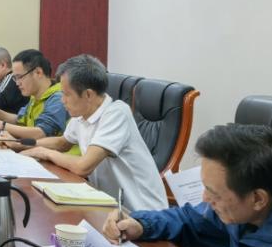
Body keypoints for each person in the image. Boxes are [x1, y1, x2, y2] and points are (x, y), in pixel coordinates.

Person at [102, 124, 272, 247]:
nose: (205, 198)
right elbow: (190, 220)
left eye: (214, 193)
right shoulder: (239, 210)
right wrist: (142, 225)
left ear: (258, 199)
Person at [19, 54, 167, 210]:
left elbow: (84, 166)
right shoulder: (81, 114)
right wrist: (21, 145)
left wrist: (44, 153)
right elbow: (62, 143)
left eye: (66, 94)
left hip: (143, 213)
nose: (63, 100)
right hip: (107, 205)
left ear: (88, 94)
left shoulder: (116, 113)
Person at [0, 49, 70, 143]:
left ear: (38, 72)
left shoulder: (58, 97)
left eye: (20, 77)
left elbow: (41, 133)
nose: (17, 83)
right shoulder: (35, 96)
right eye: (15, 78)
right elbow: (19, 119)